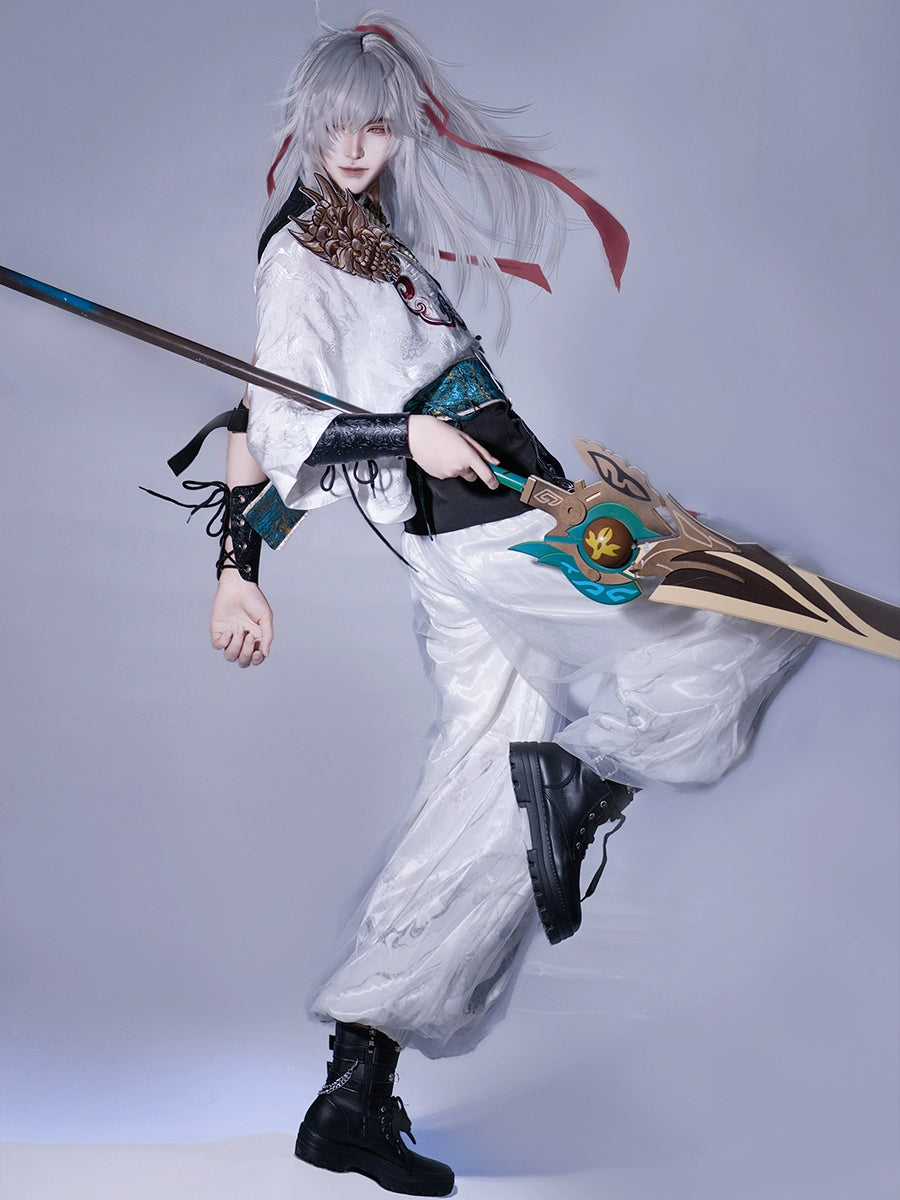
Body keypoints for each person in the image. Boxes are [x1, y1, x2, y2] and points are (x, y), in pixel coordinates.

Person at [208, 14, 811, 1196]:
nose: (355, 146)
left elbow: (285, 413)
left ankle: (354, 1089)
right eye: (336, 126)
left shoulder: (373, 239)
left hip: (491, 533)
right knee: (739, 610)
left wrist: (253, 557)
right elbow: (270, 426)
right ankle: (582, 779)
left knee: (478, 810)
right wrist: (392, 448)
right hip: (480, 537)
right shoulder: (301, 256)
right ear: (306, 125)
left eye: (376, 125)